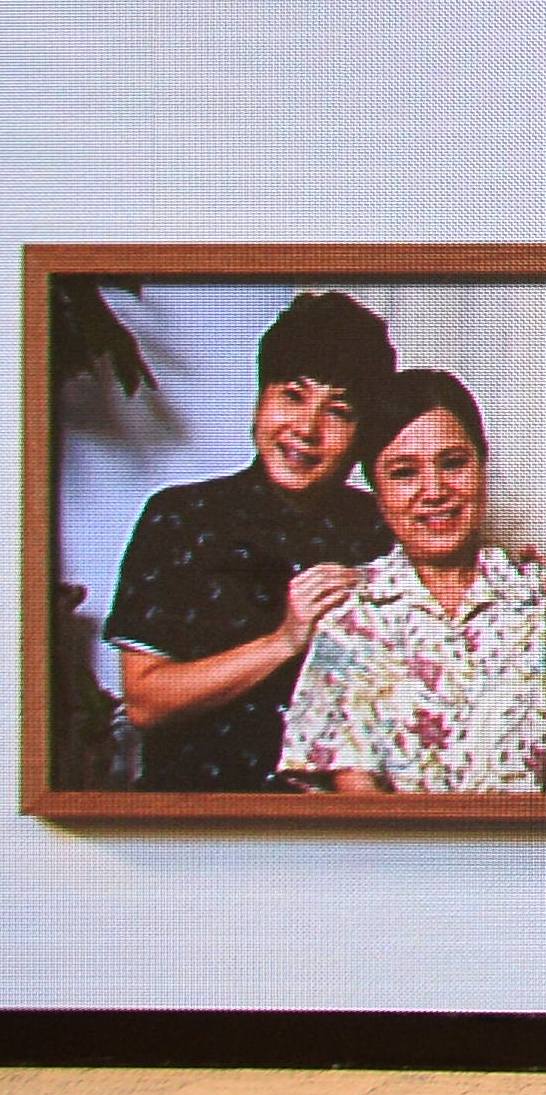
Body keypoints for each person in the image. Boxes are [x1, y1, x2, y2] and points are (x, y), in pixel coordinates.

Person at [275, 371, 546, 796]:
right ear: (377, 494)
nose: (434, 491)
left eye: (453, 463)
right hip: (401, 858)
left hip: (545, 857)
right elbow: (356, 798)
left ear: (482, 470)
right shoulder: (349, 621)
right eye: (404, 473)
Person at [105, 291, 395, 792]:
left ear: (363, 433)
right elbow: (144, 702)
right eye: (292, 395)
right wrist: (283, 640)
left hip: (342, 828)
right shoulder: (181, 518)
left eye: (339, 411)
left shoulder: (383, 527)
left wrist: (545, 578)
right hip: (199, 811)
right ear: (261, 396)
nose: (307, 429)